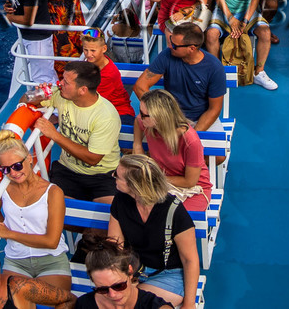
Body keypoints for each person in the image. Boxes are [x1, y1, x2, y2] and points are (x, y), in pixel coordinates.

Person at [105, 155, 201, 307]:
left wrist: (189, 303)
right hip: (134, 269)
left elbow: (190, 260)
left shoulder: (174, 211)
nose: (112, 176)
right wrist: (122, 275)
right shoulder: (120, 200)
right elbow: (115, 246)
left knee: (128, 304)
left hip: (168, 275)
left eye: (117, 175)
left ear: (134, 186)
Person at [0, 135, 73, 302]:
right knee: (9, 303)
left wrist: (10, 234)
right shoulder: (0, 188)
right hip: (15, 261)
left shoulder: (53, 192)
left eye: (17, 165)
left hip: (51, 261)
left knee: (54, 302)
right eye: (5, 169)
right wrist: (2, 226)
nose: (13, 173)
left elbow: (51, 241)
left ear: (29, 158)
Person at [35, 61, 122, 205]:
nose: (59, 83)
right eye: (62, 78)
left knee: (104, 219)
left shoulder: (106, 116)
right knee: (63, 217)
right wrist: (36, 94)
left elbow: (93, 159)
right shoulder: (60, 95)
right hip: (67, 171)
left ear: (82, 90)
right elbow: (25, 102)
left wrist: (54, 135)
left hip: (104, 175)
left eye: (66, 82)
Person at [132, 24, 226, 131]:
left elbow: (214, 109)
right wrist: (161, 114)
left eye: (175, 45)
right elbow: (140, 86)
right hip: (170, 118)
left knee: (219, 145)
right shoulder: (167, 55)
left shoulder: (214, 68)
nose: (170, 46)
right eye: (171, 41)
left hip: (201, 119)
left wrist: (193, 134)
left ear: (192, 48)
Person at [133, 88, 213, 212]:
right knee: (130, 207)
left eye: (144, 114)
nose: (140, 116)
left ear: (159, 117)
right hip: (161, 183)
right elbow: (138, 121)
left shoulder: (190, 141)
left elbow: (190, 181)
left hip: (193, 190)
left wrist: (154, 178)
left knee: (168, 216)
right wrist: (137, 145)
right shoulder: (148, 124)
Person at [3, 0, 56, 86]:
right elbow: (23, 2)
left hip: (38, 41)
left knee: (42, 79)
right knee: (46, 74)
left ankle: (46, 105)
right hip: (33, 38)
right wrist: (12, 7)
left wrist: (10, 17)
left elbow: (28, 20)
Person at [73, 239, 172, 309]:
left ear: (130, 272)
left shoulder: (152, 305)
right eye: (102, 289)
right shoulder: (84, 304)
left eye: (119, 286)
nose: (112, 294)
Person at [80, 29, 134, 119]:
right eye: (85, 50)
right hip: (103, 110)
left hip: (119, 113)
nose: (88, 54)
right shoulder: (92, 62)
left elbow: (91, 100)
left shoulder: (109, 74)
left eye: (93, 51)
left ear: (104, 49)